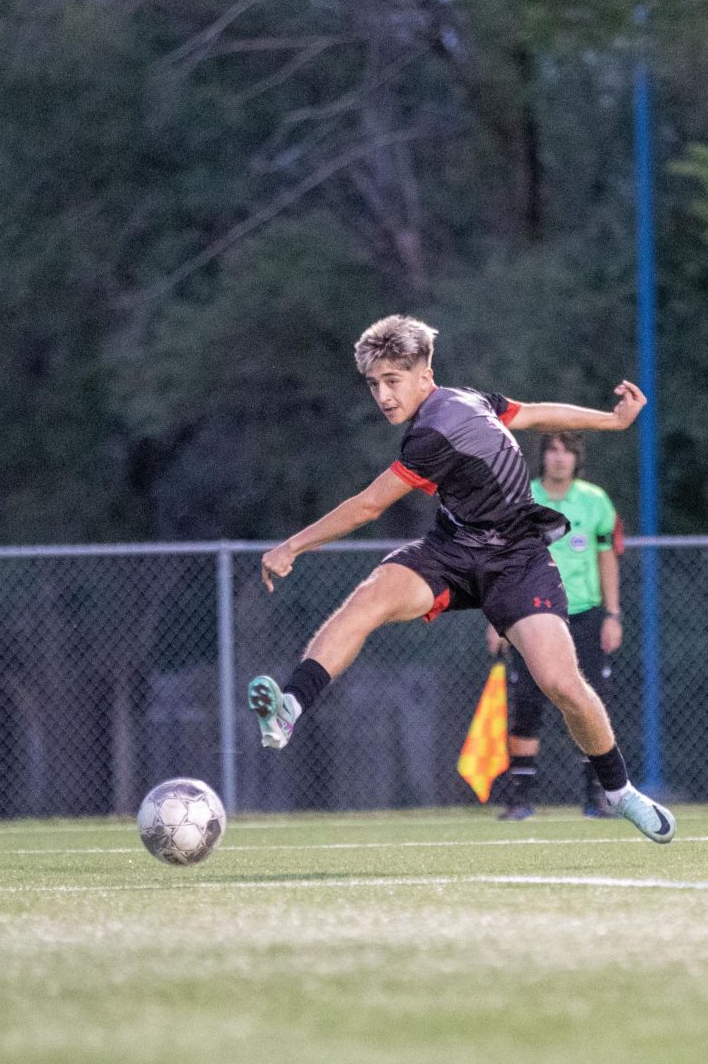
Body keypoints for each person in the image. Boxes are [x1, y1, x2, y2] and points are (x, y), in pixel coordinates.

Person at [247, 314, 675, 844]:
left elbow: (370, 505)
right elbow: (533, 413)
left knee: (562, 684)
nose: (382, 394)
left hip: (518, 560)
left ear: (425, 376)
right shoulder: (467, 400)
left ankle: (619, 791)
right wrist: (609, 421)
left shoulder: (435, 432)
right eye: (374, 383)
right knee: (368, 600)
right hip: (453, 549)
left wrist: (292, 546)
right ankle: (288, 708)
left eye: (392, 380)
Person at [486, 431, 624, 820]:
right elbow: (502, 561)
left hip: (584, 615)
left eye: (568, 452)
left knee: (588, 702)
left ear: (577, 460)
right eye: (553, 451)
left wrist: (612, 614)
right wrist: (497, 619)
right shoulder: (522, 498)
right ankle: (519, 800)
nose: (560, 459)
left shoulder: (595, 501)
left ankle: (598, 798)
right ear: (542, 457)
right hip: (532, 615)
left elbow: (607, 557)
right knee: (527, 704)